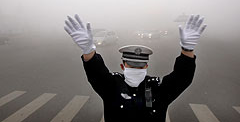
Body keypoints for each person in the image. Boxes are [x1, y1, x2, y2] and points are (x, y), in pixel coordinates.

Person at [64, 14, 207, 122]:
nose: (136, 68)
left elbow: (182, 77)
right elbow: (96, 73)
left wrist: (187, 50)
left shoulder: (158, 89)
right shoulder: (112, 87)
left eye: (139, 65)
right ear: (122, 66)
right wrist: (88, 51)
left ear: (146, 66)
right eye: (131, 64)